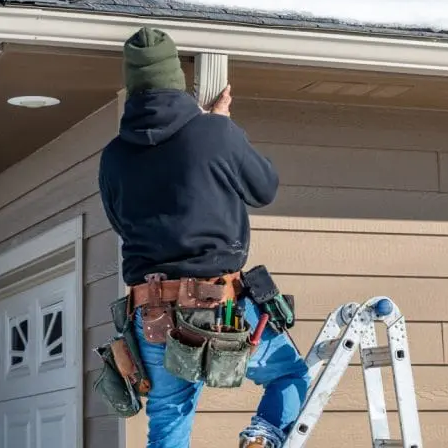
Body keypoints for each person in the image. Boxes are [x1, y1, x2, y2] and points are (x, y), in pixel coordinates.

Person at [97, 27, 310, 448]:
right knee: (289, 374)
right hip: (220, 304)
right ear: (177, 83)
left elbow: (121, 223)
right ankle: (263, 437)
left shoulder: (114, 156)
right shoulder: (214, 132)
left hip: (151, 310)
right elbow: (264, 189)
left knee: (168, 423)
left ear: (133, 87)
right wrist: (224, 130)